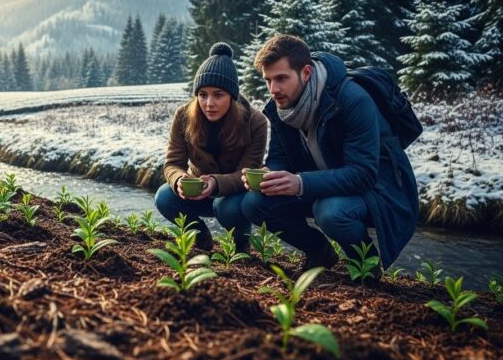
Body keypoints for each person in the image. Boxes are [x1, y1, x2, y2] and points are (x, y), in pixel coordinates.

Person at [241, 34, 419, 276]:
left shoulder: (353, 100)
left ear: (305, 73)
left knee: (330, 212)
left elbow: (363, 175)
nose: (274, 89)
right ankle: (319, 251)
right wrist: (268, 175)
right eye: (268, 80)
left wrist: (300, 183)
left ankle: (366, 268)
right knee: (254, 203)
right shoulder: (280, 107)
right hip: (324, 184)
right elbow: (279, 159)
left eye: (281, 78)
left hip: (379, 190)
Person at [155, 42, 268, 251]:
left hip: (234, 195)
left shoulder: (255, 122)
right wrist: (179, 179)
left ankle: (242, 245)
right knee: (164, 196)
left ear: (232, 96)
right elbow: (172, 163)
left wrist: (216, 183)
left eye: (218, 95)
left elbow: (246, 172)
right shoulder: (183, 116)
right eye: (203, 94)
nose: (209, 103)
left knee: (225, 206)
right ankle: (201, 238)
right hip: (197, 191)